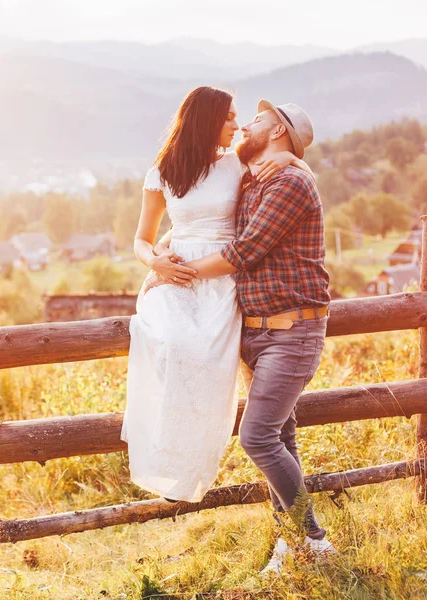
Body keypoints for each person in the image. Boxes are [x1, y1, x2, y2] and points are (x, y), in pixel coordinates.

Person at [156, 100, 336, 572]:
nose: (246, 125)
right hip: (255, 332)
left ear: (276, 128)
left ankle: (313, 540)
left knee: (257, 438)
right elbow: (203, 220)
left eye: (256, 119)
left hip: (293, 329)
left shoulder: (292, 181)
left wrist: (180, 274)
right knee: (283, 438)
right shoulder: (258, 177)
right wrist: (162, 251)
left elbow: (244, 250)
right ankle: (290, 544)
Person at [120, 87, 313, 504]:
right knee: (168, 342)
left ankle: (200, 466)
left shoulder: (236, 164)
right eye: (229, 117)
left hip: (224, 277)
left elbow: (280, 162)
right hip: (175, 274)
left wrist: (290, 156)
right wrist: (156, 265)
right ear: (206, 119)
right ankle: (167, 458)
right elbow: (140, 239)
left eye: (239, 117)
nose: (236, 124)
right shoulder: (163, 170)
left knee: (212, 366)